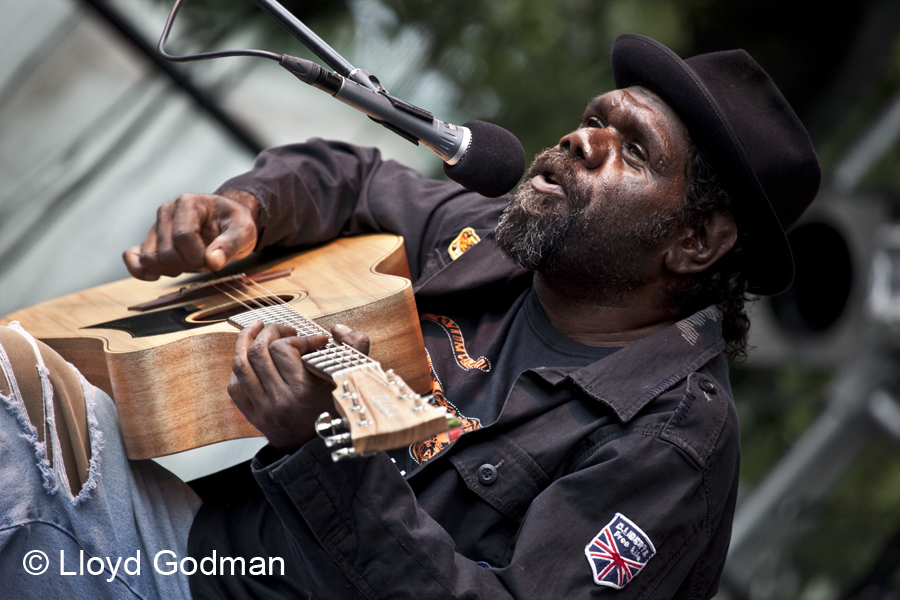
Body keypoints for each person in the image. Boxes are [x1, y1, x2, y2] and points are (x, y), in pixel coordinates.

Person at [0, 34, 819, 598]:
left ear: (696, 241)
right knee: (13, 384)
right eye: (595, 118)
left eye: (631, 149)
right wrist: (244, 208)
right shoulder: (494, 238)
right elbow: (349, 176)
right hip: (205, 554)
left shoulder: (669, 448)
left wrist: (323, 450)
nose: (581, 140)